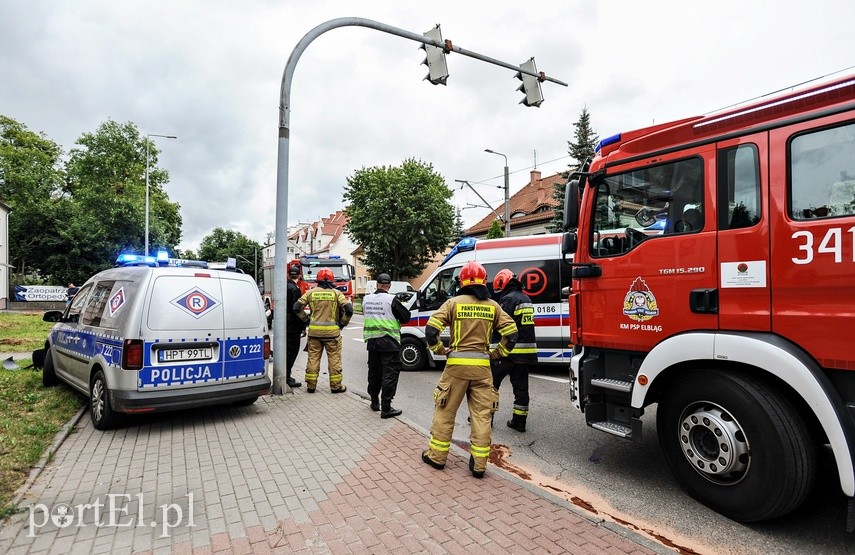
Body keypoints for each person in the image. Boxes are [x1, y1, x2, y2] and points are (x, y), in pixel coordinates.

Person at [421, 261, 518, 478]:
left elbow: (431, 330)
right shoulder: (493, 305)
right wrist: (497, 353)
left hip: (456, 368)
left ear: (461, 281)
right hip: (483, 369)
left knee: (445, 413)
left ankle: (436, 458)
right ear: (484, 281)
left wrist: (439, 349)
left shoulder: (453, 303)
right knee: (482, 416)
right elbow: (512, 333)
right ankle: (479, 465)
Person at [490, 269, 537, 432]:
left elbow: (501, 325)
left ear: (503, 284)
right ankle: (519, 422)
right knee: (521, 389)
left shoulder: (508, 299)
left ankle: (486, 418)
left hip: (508, 353)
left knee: (490, 386)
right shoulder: (526, 298)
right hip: (524, 355)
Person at [294, 267, 353, 393]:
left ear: (317, 280)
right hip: (332, 334)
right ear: (332, 279)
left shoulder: (311, 293)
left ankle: (311, 385)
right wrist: (342, 323)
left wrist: (306, 320)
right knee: (334, 359)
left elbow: (297, 307)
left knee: (313, 358)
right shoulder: (337, 294)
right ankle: (336, 386)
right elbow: (349, 309)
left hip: (314, 333)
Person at [362, 273, 411, 418]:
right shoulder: (391, 299)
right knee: (389, 373)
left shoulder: (366, 299)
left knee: (374, 373)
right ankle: (386, 408)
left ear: (377, 285)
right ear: (389, 286)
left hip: (372, 342)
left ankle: (374, 402)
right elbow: (406, 317)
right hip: (389, 342)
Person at [283, 260, 305, 389]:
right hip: (292, 325)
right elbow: (296, 309)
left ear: (288, 275)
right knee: (292, 351)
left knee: (285, 351)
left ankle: (285, 375)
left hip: (284, 323)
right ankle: (287, 377)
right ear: (299, 276)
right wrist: (303, 325)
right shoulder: (295, 289)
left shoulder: (283, 286)